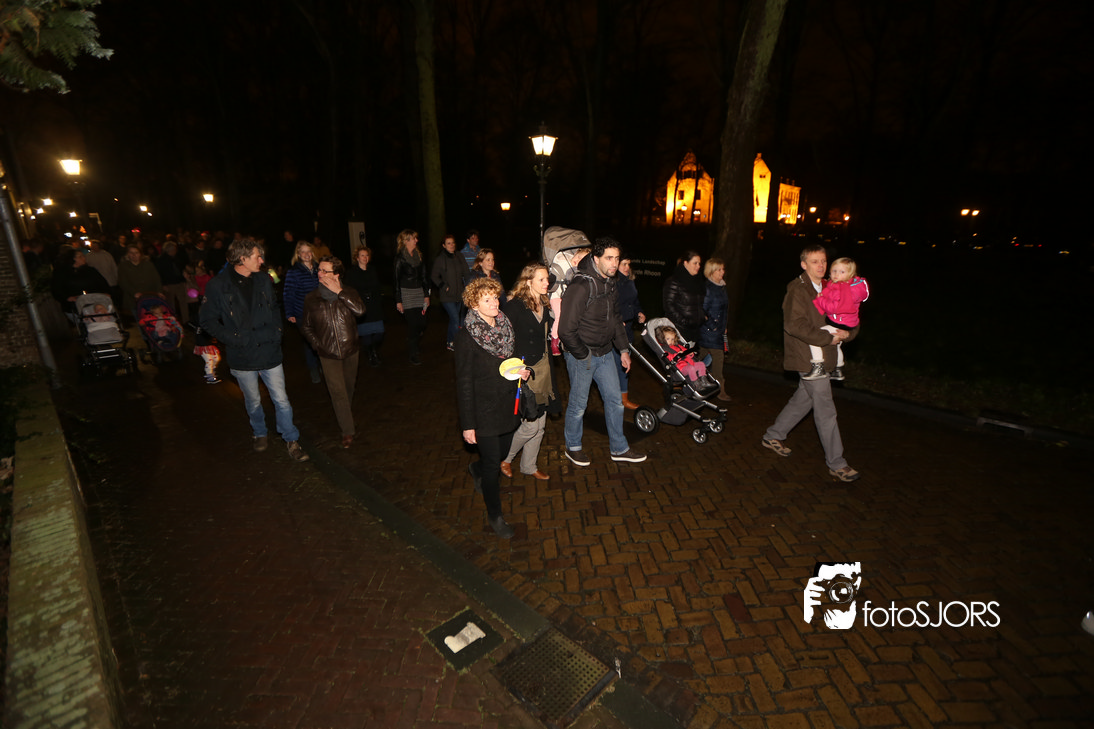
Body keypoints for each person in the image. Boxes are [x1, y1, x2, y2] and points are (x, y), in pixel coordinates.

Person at [199, 237, 309, 462]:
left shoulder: (263, 279)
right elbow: (207, 320)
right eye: (257, 257)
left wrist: (277, 332)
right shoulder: (218, 285)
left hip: (269, 349)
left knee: (281, 399)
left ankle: (291, 438)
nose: (261, 260)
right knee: (253, 400)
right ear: (242, 259)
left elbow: (274, 307)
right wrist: (233, 338)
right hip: (243, 354)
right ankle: (259, 432)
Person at [761, 245, 859, 482]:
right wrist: (827, 338)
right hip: (808, 358)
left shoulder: (833, 286)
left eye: (823, 261)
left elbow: (849, 315)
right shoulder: (797, 290)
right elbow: (794, 325)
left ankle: (773, 435)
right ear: (804, 265)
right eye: (815, 261)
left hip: (826, 355)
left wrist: (848, 333)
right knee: (826, 410)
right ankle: (837, 463)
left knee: (803, 400)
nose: (821, 266)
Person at [558, 237, 647, 466]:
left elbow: (616, 319)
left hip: (606, 352)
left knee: (615, 401)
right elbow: (565, 330)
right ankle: (573, 447)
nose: (614, 263)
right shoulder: (581, 286)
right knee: (579, 405)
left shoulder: (610, 282)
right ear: (596, 259)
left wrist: (623, 349)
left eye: (617, 258)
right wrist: (583, 354)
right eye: (609, 258)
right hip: (582, 354)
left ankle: (619, 448)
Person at [455, 277, 529, 539]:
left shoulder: (505, 326)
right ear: (474, 305)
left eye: (495, 297)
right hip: (483, 410)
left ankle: (475, 469)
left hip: (507, 404)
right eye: (487, 300)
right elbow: (464, 383)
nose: (494, 303)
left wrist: (521, 371)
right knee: (492, 466)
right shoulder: (466, 337)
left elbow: (510, 361)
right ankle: (495, 515)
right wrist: (468, 424)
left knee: (502, 454)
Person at [301, 256, 366, 449]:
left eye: (325, 271)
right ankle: (347, 430)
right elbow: (306, 326)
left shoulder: (349, 292)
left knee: (348, 388)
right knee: (337, 392)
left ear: (336, 275)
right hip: (327, 353)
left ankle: (343, 413)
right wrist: (317, 345)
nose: (320, 273)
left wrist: (340, 292)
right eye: (319, 270)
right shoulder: (311, 298)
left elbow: (360, 311)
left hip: (350, 350)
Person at [501, 264, 558, 481]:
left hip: (543, 369)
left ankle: (528, 465)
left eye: (547, 279)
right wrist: (513, 366)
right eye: (542, 279)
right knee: (531, 424)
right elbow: (504, 339)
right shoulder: (515, 306)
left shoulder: (544, 303)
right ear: (528, 281)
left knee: (540, 424)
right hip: (523, 370)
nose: (547, 283)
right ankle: (505, 458)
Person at [806, 257, 870, 382]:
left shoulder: (842, 289)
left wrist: (820, 299)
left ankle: (818, 367)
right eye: (834, 270)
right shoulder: (852, 286)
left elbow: (833, 308)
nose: (836, 274)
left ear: (850, 274)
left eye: (842, 272)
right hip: (848, 323)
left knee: (813, 338)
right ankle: (838, 370)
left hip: (839, 323)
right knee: (837, 346)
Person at [283, 241, 322, 383]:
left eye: (308, 251)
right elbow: (288, 293)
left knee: (322, 338)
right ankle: (313, 368)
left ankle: (323, 364)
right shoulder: (294, 272)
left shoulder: (319, 268)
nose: (306, 254)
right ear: (298, 254)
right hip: (302, 312)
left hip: (320, 311)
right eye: (303, 252)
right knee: (309, 341)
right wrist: (289, 313)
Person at [343, 245, 385, 367]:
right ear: (357, 257)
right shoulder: (351, 273)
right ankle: (371, 354)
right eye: (362, 255)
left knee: (380, 333)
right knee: (366, 334)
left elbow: (378, 287)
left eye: (367, 255)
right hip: (361, 307)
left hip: (374, 306)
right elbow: (349, 290)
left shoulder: (372, 270)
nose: (365, 258)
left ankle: (373, 349)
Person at [393, 229, 430, 365]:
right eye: (413, 238)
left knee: (422, 323)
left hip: (419, 293)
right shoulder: (400, 258)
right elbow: (396, 280)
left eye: (416, 238)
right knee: (413, 324)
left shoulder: (419, 256)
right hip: (406, 294)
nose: (416, 241)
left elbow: (424, 277)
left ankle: (412, 340)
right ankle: (413, 353)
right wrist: (398, 300)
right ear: (406, 241)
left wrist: (426, 295)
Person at [697, 257, 732, 401]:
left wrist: (723, 327)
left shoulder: (721, 287)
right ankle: (720, 389)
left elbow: (722, 311)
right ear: (711, 271)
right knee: (718, 357)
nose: (722, 272)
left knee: (699, 355)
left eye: (723, 269)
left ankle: (685, 376)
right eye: (719, 270)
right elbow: (702, 311)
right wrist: (714, 326)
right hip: (709, 331)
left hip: (716, 331)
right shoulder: (708, 289)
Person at [615, 256, 646, 410]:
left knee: (625, 366)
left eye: (628, 264)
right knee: (616, 365)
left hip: (628, 329)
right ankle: (615, 398)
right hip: (615, 330)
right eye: (624, 264)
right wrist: (616, 319)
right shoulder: (612, 282)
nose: (627, 267)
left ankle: (623, 398)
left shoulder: (630, 281)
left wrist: (639, 312)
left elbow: (634, 302)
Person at [431, 233, 471, 351]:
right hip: (447, 296)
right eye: (448, 243)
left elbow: (466, 273)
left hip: (459, 295)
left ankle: (450, 341)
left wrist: (468, 286)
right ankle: (458, 342)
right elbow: (434, 276)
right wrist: (444, 286)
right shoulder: (440, 259)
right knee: (455, 319)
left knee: (454, 320)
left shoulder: (459, 256)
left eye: (453, 243)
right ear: (444, 245)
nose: (452, 245)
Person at [51, 248, 111, 320]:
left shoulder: (91, 271)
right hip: (75, 306)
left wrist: (106, 293)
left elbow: (102, 283)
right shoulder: (61, 273)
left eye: (83, 256)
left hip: (95, 303)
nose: (84, 258)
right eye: (80, 256)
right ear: (73, 259)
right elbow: (56, 289)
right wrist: (67, 298)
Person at [662, 250, 706, 343]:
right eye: (695, 263)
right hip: (678, 331)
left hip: (695, 331)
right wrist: (684, 321)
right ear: (686, 263)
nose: (698, 266)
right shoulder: (674, 281)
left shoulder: (698, 281)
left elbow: (699, 304)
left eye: (699, 263)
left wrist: (702, 317)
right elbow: (669, 305)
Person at [117, 244, 163, 317]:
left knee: (154, 317)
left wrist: (159, 291)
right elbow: (123, 282)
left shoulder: (148, 264)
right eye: (131, 253)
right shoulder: (123, 266)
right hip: (134, 299)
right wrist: (134, 293)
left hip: (150, 296)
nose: (134, 255)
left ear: (140, 254)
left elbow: (156, 279)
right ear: (128, 254)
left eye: (136, 253)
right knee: (140, 318)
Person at [155, 240, 191, 326]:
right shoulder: (161, 260)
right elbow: (160, 273)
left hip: (179, 282)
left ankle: (186, 320)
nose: (175, 251)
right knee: (170, 303)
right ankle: (172, 321)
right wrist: (163, 284)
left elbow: (181, 269)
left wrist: (184, 279)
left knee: (183, 301)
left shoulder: (177, 258)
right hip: (169, 283)